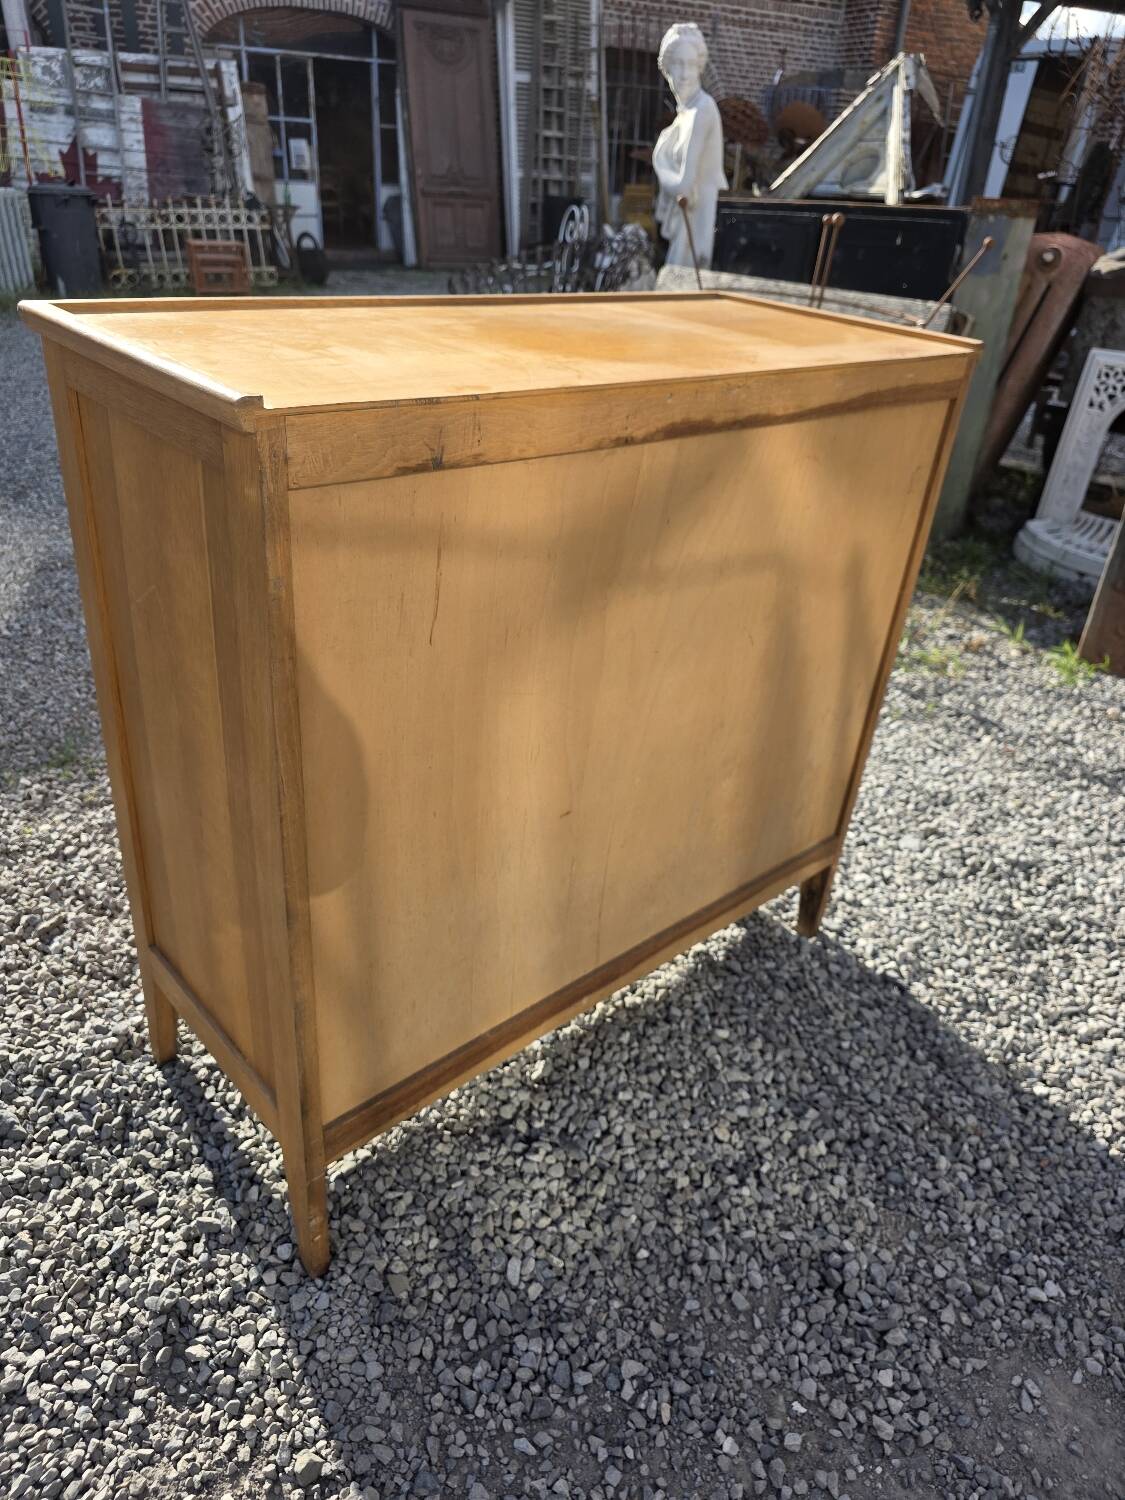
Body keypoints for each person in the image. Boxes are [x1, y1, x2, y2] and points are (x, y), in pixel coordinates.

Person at [652, 23, 728, 270]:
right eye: (678, 64)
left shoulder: (702, 110)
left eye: (692, 65)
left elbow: (684, 186)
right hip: (685, 224)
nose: (685, 74)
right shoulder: (684, 114)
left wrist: (659, 163)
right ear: (667, 68)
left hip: (697, 226)